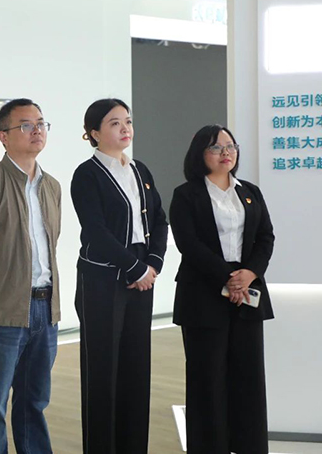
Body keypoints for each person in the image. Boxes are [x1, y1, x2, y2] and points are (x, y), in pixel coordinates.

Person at [0, 98, 62, 454]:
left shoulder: (52, 186)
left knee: (34, 401)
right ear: (3, 136)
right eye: (26, 125)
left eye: (41, 123)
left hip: (45, 309)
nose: (37, 130)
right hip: (1, 313)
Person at [70, 98, 168, 454]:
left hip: (142, 275)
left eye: (127, 121)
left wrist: (152, 263)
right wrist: (135, 268)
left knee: (136, 368)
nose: (125, 128)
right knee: (103, 371)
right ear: (94, 133)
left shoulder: (140, 170)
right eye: (114, 123)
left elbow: (159, 219)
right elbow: (96, 231)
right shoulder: (87, 174)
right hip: (103, 280)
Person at [170, 125, 275, 454]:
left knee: (248, 377)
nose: (226, 153)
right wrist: (228, 277)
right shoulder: (186, 194)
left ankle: (249, 446)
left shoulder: (250, 192)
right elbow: (188, 244)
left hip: (247, 292)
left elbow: (266, 237)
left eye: (230, 146)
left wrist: (249, 273)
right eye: (216, 147)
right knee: (207, 378)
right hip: (203, 294)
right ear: (200, 154)